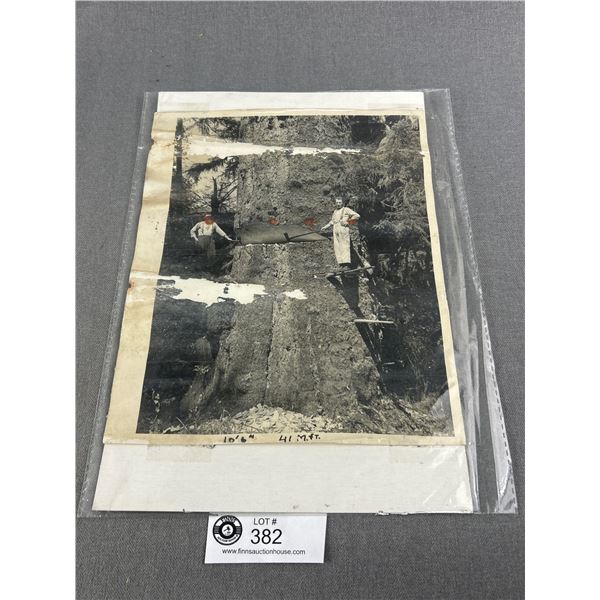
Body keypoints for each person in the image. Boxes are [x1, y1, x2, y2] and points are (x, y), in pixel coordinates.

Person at [321, 198, 360, 269]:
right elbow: (332, 221)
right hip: (335, 229)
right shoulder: (335, 211)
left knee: (344, 245)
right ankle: (341, 264)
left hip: (343, 228)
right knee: (337, 246)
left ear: (342, 203)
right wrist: (325, 227)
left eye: (340, 202)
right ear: (335, 203)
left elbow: (357, 216)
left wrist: (348, 222)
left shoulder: (346, 209)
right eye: (337, 202)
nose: (338, 204)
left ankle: (346, 264)